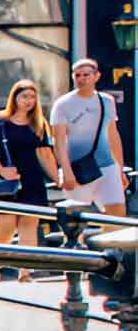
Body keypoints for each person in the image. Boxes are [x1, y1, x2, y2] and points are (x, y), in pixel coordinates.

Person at [0, 76, 60, 272]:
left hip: (32, 180)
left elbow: (45, 154)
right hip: (7, 181)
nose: (28, 101)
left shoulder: (39, 124)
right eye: (24, 96)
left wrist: (59, 178)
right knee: (6, 229)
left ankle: (25, 272)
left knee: (29, 226)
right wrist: (2, 170)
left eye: (32, 97)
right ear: (14, 98)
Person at [55, 58, 123, 217]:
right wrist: (66, 172)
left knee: (117, 216)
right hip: (78, 168)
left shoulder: (107, 101)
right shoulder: (62, 104)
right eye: (77, 75)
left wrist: (119, 169)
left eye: (86, 75)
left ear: (96, 76)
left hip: (107, 166)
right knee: (74, 221)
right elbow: (59, 141)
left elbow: (113, 135)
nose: (81, 79)